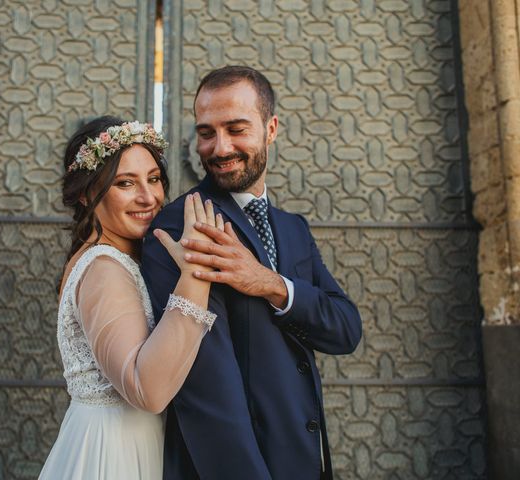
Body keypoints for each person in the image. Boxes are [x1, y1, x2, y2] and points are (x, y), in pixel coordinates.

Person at [141, 66, 363, 479]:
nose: (219, 148)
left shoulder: (294, 228)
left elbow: (345, 329)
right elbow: (206, 395)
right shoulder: (180, 226)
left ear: (271, 128)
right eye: (206, 132)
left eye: (236, 129)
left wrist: (272, 284)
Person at [40, 116, 225, 479]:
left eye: (153, 179)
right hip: (112, 456)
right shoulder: (104, 268)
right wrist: (196, 274)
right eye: (125, 183)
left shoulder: (115, 258)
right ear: (85, 193)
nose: (148, 197)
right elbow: (148, 389)